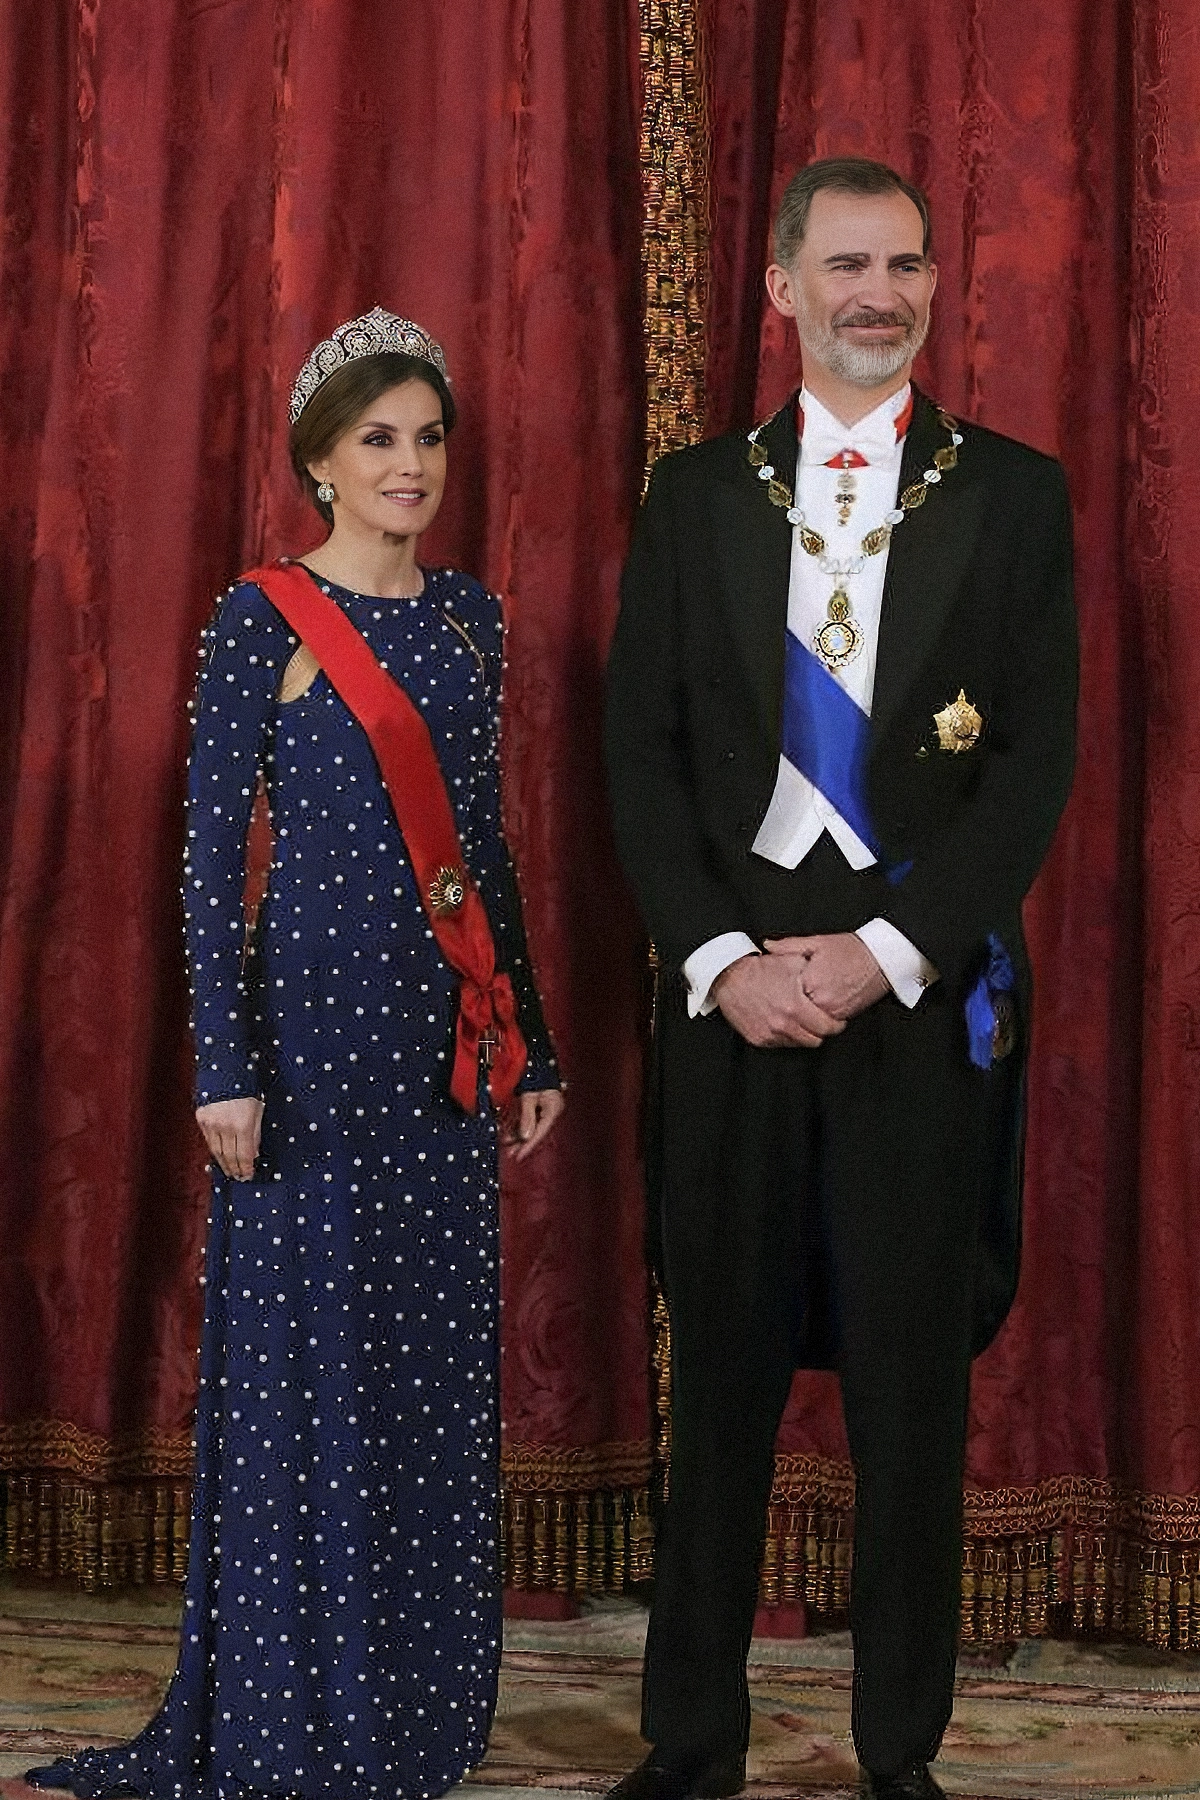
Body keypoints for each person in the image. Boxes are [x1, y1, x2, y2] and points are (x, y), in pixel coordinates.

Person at [28, 308, 563, 1800]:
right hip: (310, 1045)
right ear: (320, 460)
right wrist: (224, 1064)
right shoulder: (261, 618)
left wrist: (532, 1039)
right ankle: (290, 1715)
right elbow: (209, 862)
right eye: (378, 439)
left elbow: (485, 854)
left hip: (442, 1049)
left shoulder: (471, 619)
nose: (410, 466)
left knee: (425, 1381)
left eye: (429, 437)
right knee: (307, 1375)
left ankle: (410, 1716)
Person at [604, 159, 1077, 1800]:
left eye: (907, 265)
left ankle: (898, 1759)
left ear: (935, 284)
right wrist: (721, 960)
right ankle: (691, 1747)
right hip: (733, 1004)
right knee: (720, 1395)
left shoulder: (1015, 495)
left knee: (908, 1403)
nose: (880, 294)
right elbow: (642, 757)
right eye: (849, 264)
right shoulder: (692, 496)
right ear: (784, 288)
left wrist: (885, 955)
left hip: (914, 1004)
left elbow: (1032, 768)